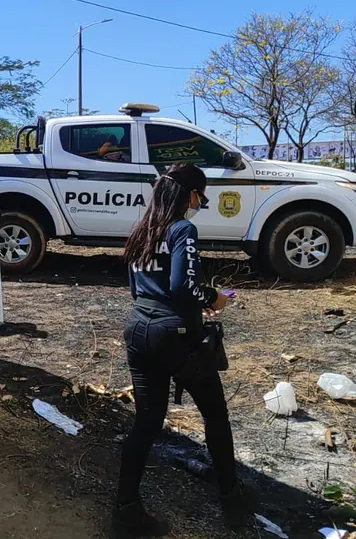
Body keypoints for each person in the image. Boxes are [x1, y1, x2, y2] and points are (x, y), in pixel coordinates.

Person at [111, 163, 253, 538]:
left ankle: (125, 510)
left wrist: (185, 302)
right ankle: (232, 497)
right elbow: (182, 287)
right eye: (201, 198)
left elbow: (140, 287)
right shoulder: (182, 229)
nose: (199, 205)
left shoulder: (141, 230)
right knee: (215, 415)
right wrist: (214, 298)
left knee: (147, 421)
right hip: (174, 336)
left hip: (138, 329)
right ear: (191, 195)